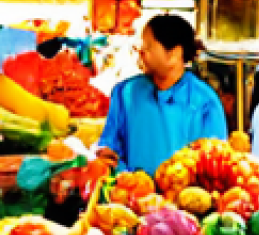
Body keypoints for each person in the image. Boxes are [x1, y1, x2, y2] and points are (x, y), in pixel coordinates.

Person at [97, 14, 226, 176]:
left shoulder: (205, 102)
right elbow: (109, 149)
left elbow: (214, 165)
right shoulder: (125, 92)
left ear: (173, 54)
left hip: (183, 198)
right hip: (129, 195)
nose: (141, 52)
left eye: (148, 47)